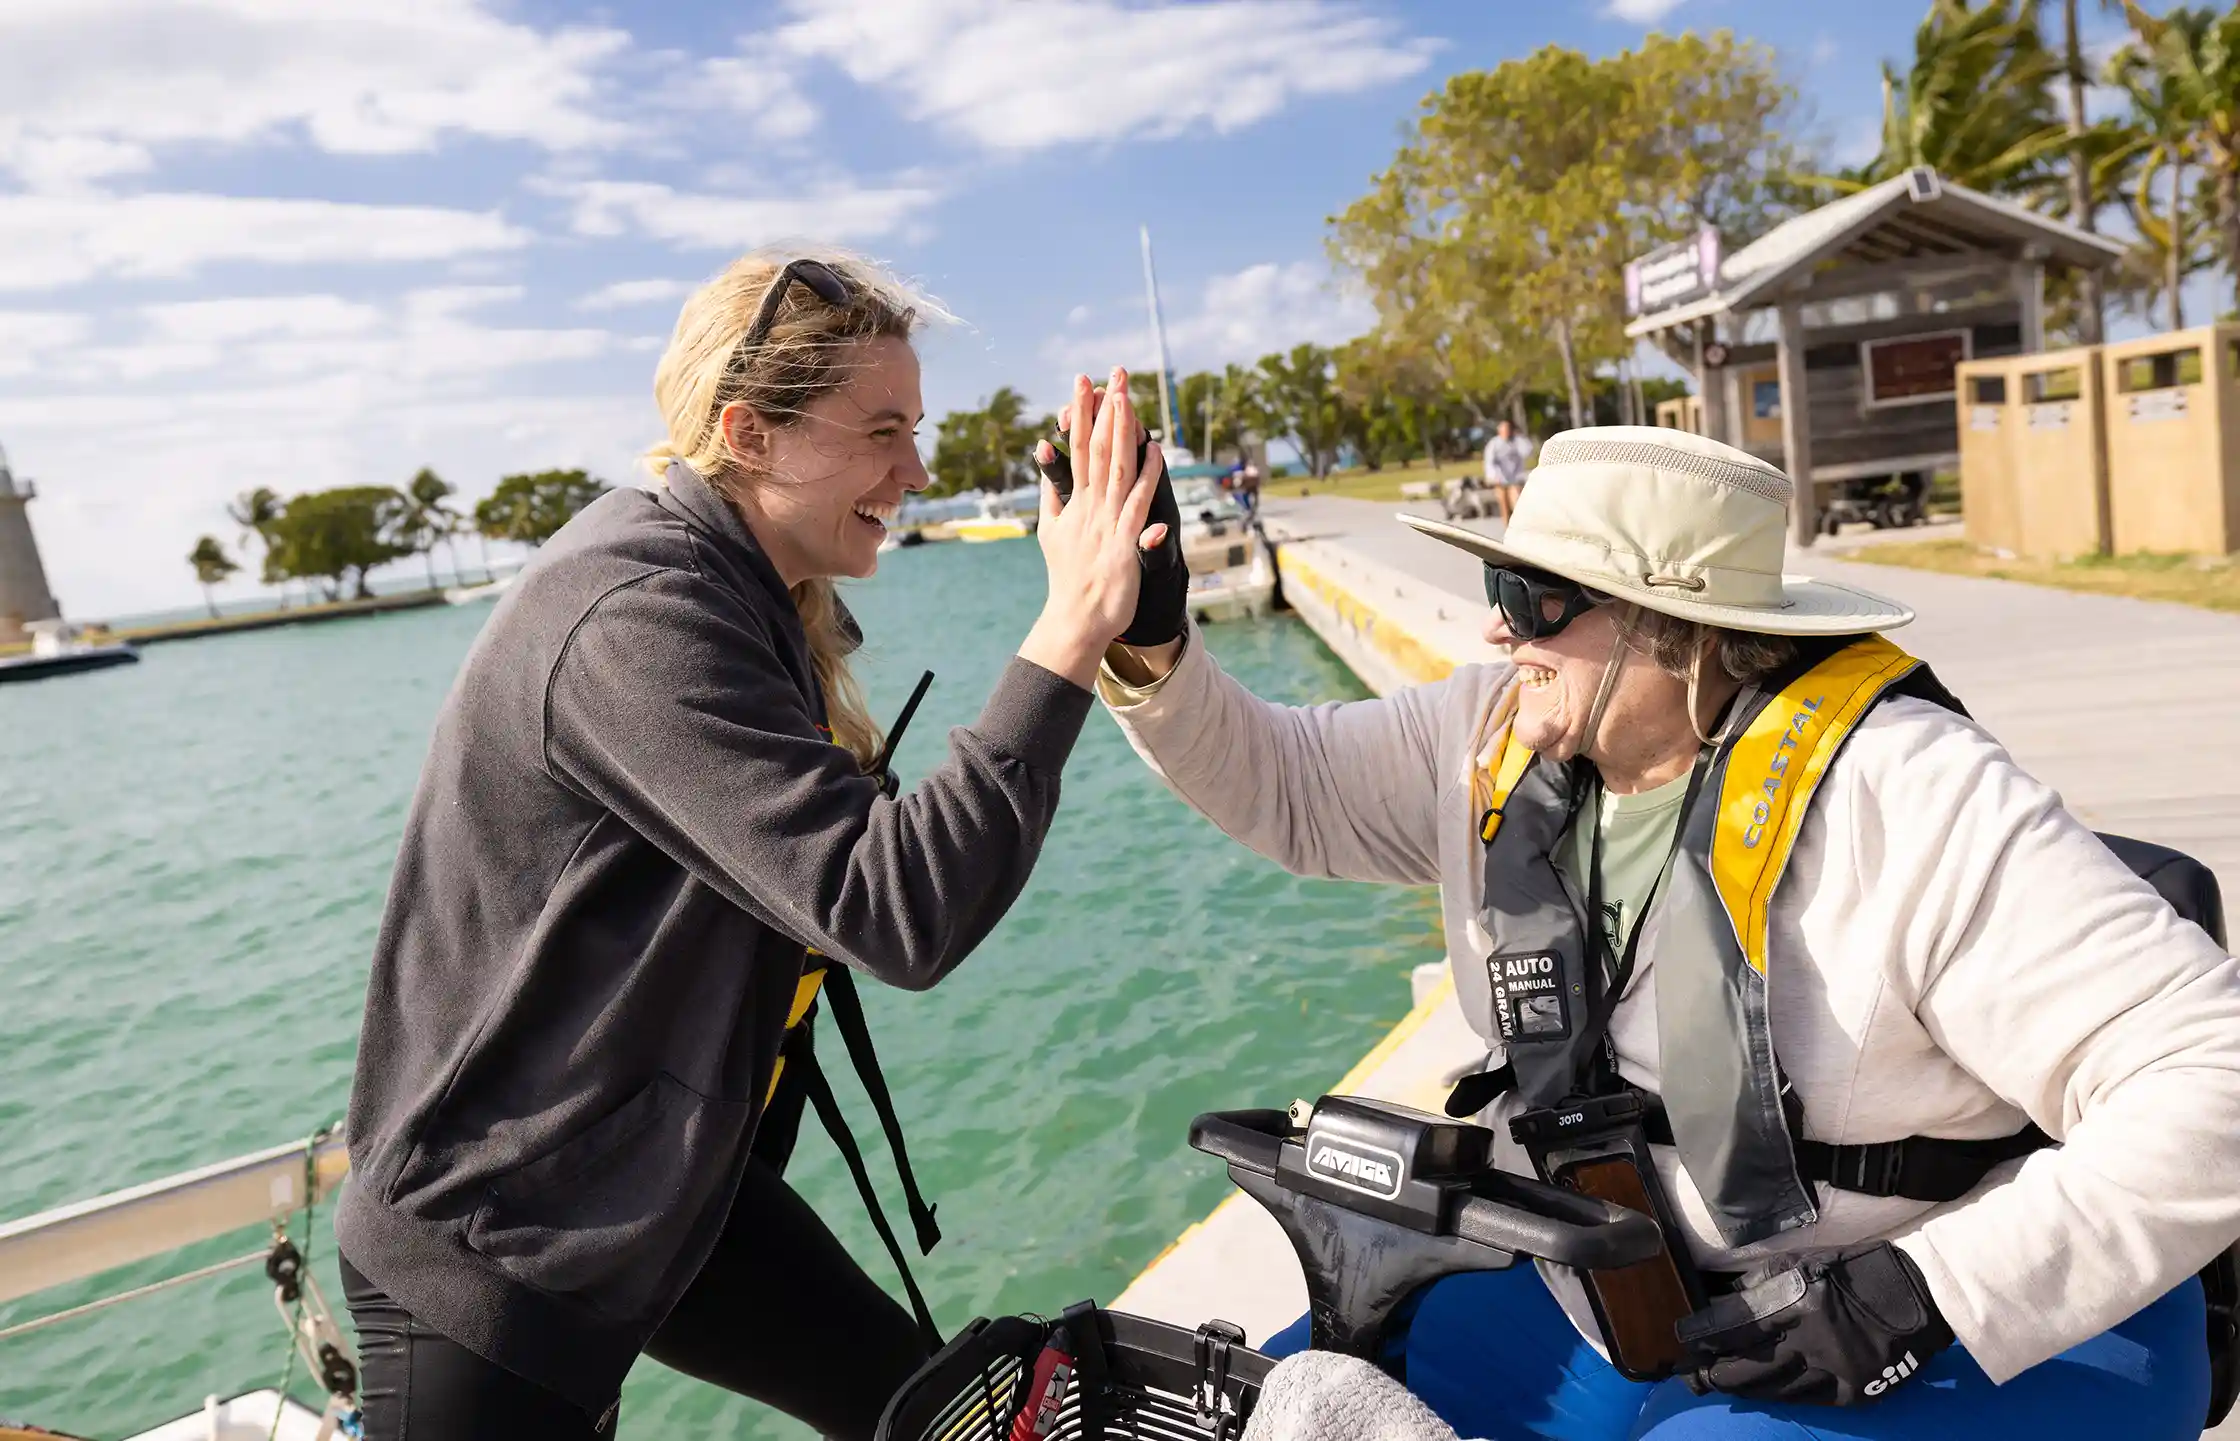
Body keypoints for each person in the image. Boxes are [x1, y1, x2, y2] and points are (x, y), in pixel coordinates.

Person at [1097, 424, 2240, 1440]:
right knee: (1286, 1391)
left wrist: (1919, 1292)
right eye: (1500, 576)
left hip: (1982, 1327)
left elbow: (2212, 1075)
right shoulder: (1483, 738)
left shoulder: (1909, 794)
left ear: (1682, 626)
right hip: (1629, 1300)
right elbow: (1282, 784)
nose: (1495, 624)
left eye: (1536, 593)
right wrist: (1150, 645)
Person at [332, 248, 1175, 1441]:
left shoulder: (731, 589)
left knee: (933, 1417)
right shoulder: (636, 615)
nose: (916, 470)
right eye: (882, 430)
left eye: (914, 428)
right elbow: (897, 909)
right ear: (751, 433)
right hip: (497, 1247)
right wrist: (1068, 628)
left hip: (661, 1189)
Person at [1482, 418, 1533, 521]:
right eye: (1503, 429)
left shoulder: (1517, 441)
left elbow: (1527, 451)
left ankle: (1519, 526)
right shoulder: (1494, 444)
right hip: (1499, 479)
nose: (1505, 431)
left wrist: (1520, 436)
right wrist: (1492, 476)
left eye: (1507, 429)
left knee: (1517, 504)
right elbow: (1489, 462)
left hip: (1514, 479)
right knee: (1504, 507)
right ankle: (1506, 531)